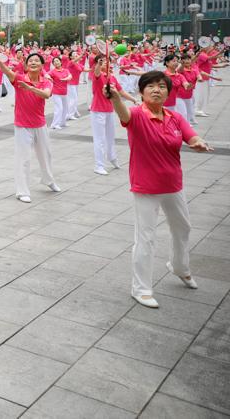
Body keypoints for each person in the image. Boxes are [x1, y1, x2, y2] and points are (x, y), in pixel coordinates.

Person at [108, 71, 211, 308]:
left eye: (162, 86)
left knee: (183, 228)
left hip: (173, 184)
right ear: (142, 92)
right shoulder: (136, 115)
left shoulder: (175, 117)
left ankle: (179, 267)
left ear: (168, 91)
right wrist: (115, 99)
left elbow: (191, 137)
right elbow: (123, 114)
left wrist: (198, 143)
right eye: (151, 86)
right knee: (146, 237)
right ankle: (141, 288)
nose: (157, 90)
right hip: (146, 186)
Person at [0, 53, 62, 203]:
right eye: (30, 60)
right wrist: (0, 63)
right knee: (23, 158)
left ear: (42, 66)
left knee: (46, 155)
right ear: (26, 65)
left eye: (37, 60)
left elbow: (46, 95)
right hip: (22, 125)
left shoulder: (46, 81)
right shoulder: (19, 78)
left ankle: (48, 180)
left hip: (40, 123)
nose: (33, 62)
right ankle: (22, 191)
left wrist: (30, 88)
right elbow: (6, 70)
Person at [88, 55, 136, 175]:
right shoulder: (97, 76)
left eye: (107, 61)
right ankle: (99, 165)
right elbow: (97, 72)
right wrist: (99, 64)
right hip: (98, 111)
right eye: (103, 62)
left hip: (109, 110)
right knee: (100, 139)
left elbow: (122, 92)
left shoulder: (113, 78)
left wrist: (133, 99)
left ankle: (112, 157)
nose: (106, 63)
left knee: (110, 136)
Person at [47, 56, 72, 130]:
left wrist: (66, 79)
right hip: (56, 93)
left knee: (65, 108)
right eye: (54, 62)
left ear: (61, 62)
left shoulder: (65, 70)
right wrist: (49, 78)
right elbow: (47, 75)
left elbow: (70, 76)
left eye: (57, 61)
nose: (56, 62)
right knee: (59, 108)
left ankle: (63, 122)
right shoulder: (53, 71)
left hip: (64, 92)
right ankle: (54, 124)